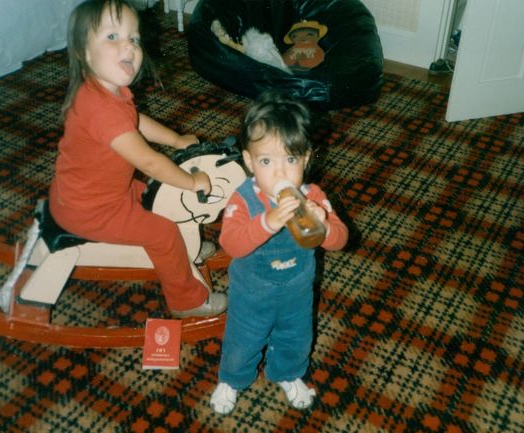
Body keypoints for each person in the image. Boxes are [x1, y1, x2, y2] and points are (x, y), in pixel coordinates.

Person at [48, 0, 227, 318]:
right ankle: (187, 300)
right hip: (91, 211)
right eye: (113, 37)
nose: (128, 47)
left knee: (159, 199)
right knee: (163, 232)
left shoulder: (107, 90)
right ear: (84, 53)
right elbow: (150, 163)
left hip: (88, 195)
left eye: (134, 38)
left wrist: (174, 138)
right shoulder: (100, 108)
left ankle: (188, 249)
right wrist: (191, 181)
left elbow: (136, 121)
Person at [210, 92, 348, 414]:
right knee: (242, 339)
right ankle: (231, 379)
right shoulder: (243, 198)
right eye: (266, 161)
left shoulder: (312, 196)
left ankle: (288, 373)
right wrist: (268, 222)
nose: (280, 173)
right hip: (251, 292)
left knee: (297, 336)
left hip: (297, 290)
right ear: (248, 161)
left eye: (291, 160)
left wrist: (324, 225)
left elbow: (341, 240)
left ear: (307, 158)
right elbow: (231, 244)